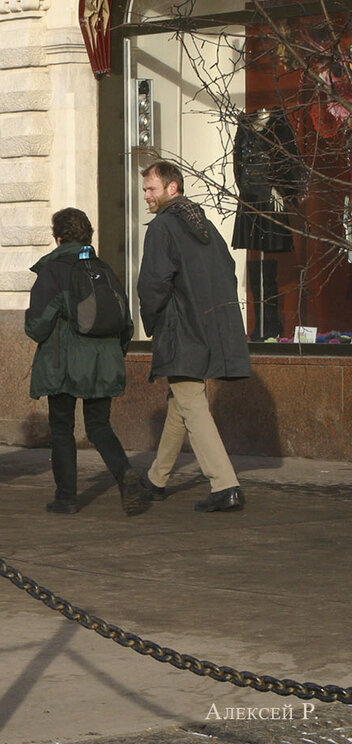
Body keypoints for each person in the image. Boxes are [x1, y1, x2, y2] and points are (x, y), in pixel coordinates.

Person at [137, 160, 251, 512]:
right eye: (145, 190)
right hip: (210, 325)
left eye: (151, 189)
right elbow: (228, 270)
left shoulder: (162, 227)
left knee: (191, 402)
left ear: (173, 188)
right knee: (182, 399)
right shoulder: (204, 225)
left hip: (182, 327)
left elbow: (153, 284)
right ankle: (157, 479)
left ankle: (224, 485)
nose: (146, 197)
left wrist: (153, 322)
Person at [25, 207, 147, 515]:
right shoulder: (104, 269)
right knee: (99, 426)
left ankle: (66, 498)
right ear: (88, 236)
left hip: (63, 362)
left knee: (62, 427)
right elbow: (126, 325)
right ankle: (125, 473)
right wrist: (110, 356)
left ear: (59, 237)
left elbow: (36, 326)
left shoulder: (53, 271)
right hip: (104, 360)